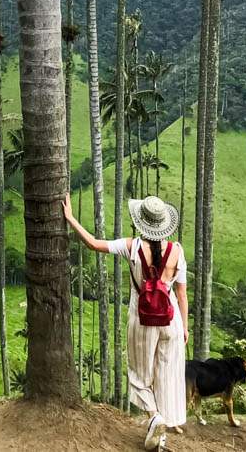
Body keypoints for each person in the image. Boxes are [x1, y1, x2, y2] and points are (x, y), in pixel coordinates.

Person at [63, 193, 188, 451]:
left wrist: (71, 219)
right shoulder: (177, 251)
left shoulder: (131, 247)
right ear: (164, 223)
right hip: (171, 321)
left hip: (142, 321)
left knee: (140, 376)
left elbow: (94, 244)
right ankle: (161, 436)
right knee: (165, 376)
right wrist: (184, 327)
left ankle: (155, 417)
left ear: (141, 222)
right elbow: (182, 294)